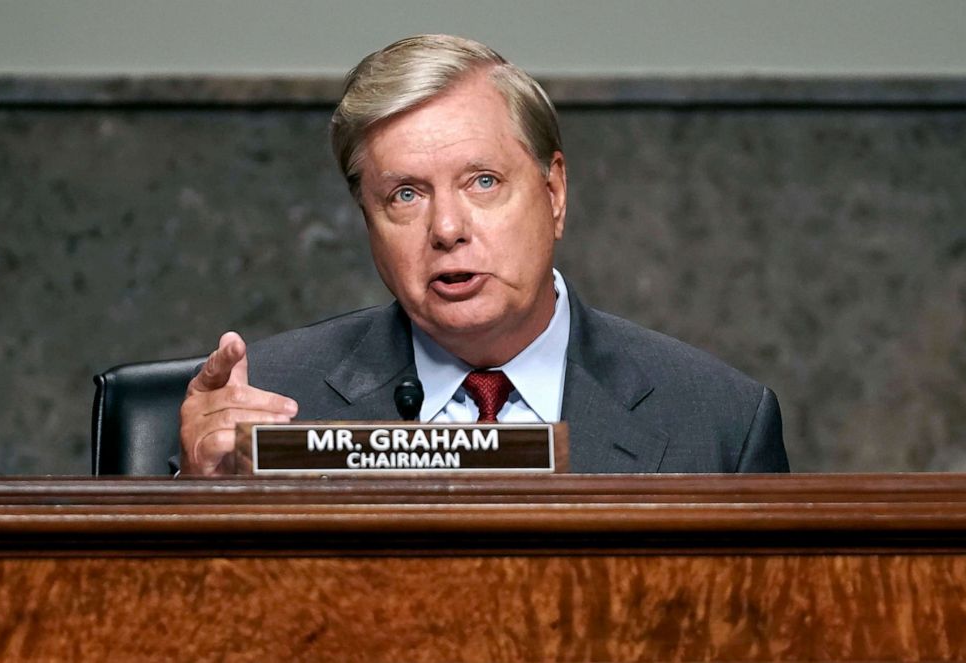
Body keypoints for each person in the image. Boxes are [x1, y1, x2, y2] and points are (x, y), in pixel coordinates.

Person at [178, 34, 789, 476]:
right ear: (367, 220)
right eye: (406, 194)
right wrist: (200, 503)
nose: (446, 228)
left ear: (554, 194)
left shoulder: (718, 423)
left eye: (483, 182)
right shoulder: (272, 405)